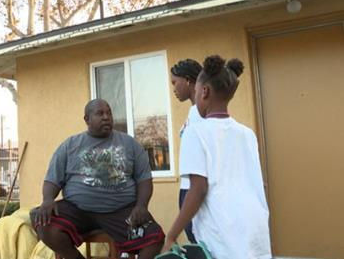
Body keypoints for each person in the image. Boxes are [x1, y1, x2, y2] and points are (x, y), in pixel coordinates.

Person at [161, 56, 272, 259]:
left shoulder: (196, 132)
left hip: (223, 228)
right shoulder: (247, 133)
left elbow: (199, 188)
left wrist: (172, 234)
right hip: (254, 226)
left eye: (196, 90)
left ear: (204, 91)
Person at [31, 99, 165, 259]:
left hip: (121, 212)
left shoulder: (130, 144)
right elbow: (52, 179)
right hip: (77, 210)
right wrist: (47, 199)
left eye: (109, 113)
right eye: (100, 113)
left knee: (155, 238)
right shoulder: (70, 145)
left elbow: (144, 179)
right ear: (86, 119)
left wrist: (142, 205)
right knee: (43, 221)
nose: (106, 117)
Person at [170, 58, 203, 243]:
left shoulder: (201, 113)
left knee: (198, 238)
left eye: (175, 83)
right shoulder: (194, 112)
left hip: (194, 188)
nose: (174, 88)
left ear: (189, 80)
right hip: (186, 186)